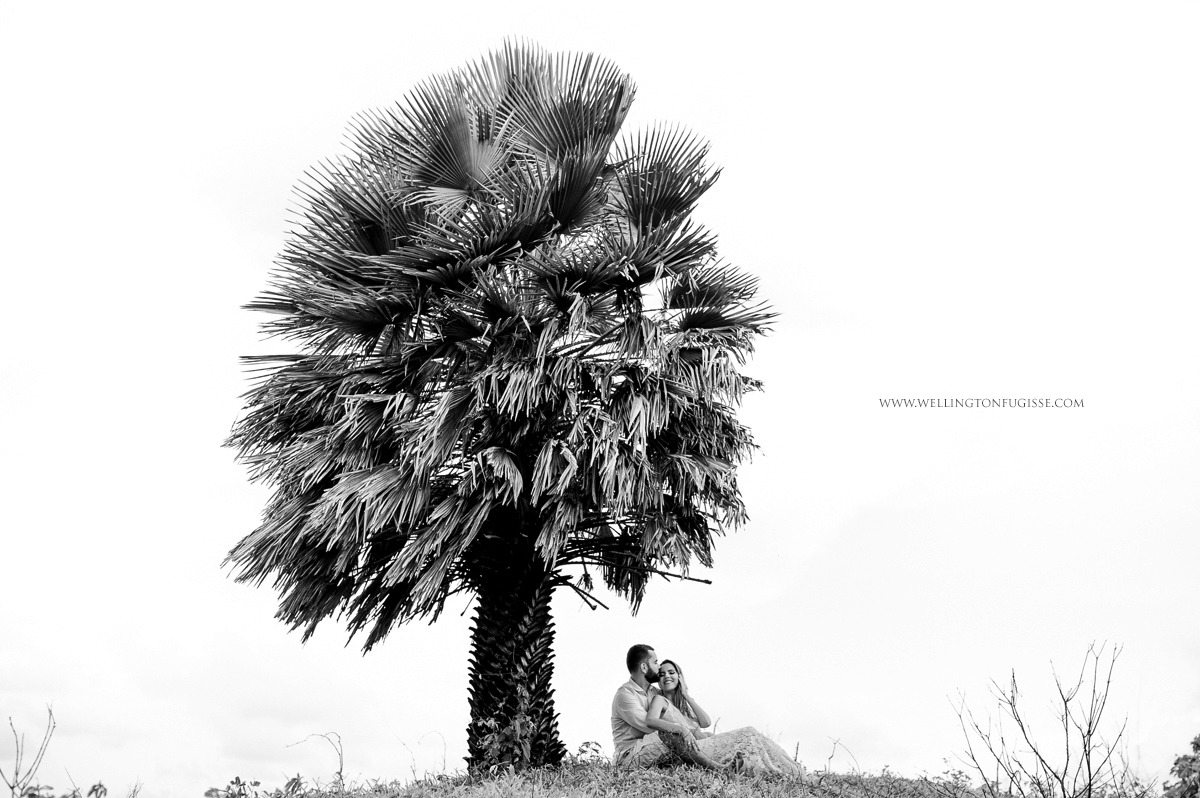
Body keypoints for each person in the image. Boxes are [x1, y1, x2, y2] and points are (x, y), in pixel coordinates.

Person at [644, 658, 803, 776]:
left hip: (704, 745)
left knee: (757, 740)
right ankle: (784, 771)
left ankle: (794, 769)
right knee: (749, 732)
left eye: (671, 673)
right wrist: (682, 729)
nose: (666, 677)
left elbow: (706, 722)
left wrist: (685, 694)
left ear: (679, 676)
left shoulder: (684, 706)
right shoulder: (660, 700)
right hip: (693, 749)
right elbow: (650, 720)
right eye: (662, 674)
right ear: (658, 680)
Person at [611, 643, 680, 766]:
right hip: (630, 755)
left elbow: (677, 715)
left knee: (695, 738)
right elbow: (652, 727)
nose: (659, 667)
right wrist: (682, 729)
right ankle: (713, 765)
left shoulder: (655, 692)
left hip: (651, 745)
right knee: (674, 738)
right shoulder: (625, 695)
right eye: (655, 662)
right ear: (644, 667)